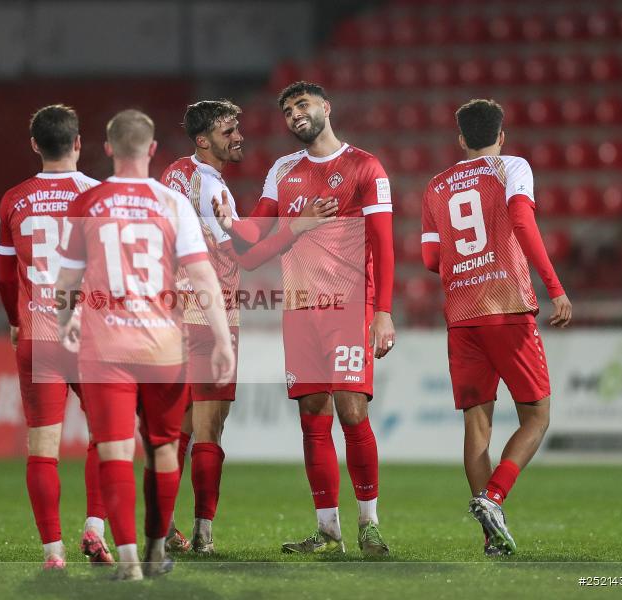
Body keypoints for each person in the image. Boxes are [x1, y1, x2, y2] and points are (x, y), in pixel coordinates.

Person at [55, 109, 235, 581]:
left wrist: (66, 320)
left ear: (108, 149)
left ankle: (130, 560)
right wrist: (221, 338)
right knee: (163, 450)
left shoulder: (88, 201)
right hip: (163, 347)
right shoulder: (172, 203)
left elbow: (66, 282)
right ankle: (156, 550)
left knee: (115, 451)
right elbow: (203, 278)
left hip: (106, 348)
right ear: (152, 150)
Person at [217, 81, 396, 557]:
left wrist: (382, 312)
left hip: (349, 306)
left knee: (352, 411)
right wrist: (227, 220)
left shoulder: (365, 167)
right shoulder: (282, 170)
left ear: (326, 107)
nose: (295, 114)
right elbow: (254, 235)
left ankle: (370, 525)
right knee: (312, 418)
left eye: (302, 104)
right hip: (299, 309)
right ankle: (328, 531)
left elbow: (383, 244)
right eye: (287, 110)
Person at [160, 100, 337, 553]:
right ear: (203, 140)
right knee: (210, 428)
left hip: (171, 311)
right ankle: (202, 534)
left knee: (178, 427)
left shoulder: (174, 174)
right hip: (210, 315)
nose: (239, 137)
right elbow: (249, 256)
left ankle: (161, 526)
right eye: (228, 131)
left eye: (237, 128)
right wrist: (297, 227)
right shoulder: (210, 186)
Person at [420, 99, 573, 555]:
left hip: (461, 316)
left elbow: (430, 258)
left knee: (477, 427)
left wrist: (466, 264)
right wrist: (555, 288)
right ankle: (494, 497)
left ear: (461, 139)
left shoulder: (435, 185)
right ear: (501, 136)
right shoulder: (511, 167)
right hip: (507, 308)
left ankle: (492, 538)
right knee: (537, 417)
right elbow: (522, 220)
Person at [0, 104, 113, 569]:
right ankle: (95, 529)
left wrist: (15, 319)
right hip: (91, 335)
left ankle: (53, 553)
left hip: (39, 335)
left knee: (42, 449)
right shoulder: (100, 196)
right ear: (78, 142)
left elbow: (5, 277)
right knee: (107, 436)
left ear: (34, 145)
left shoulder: (13, 200)